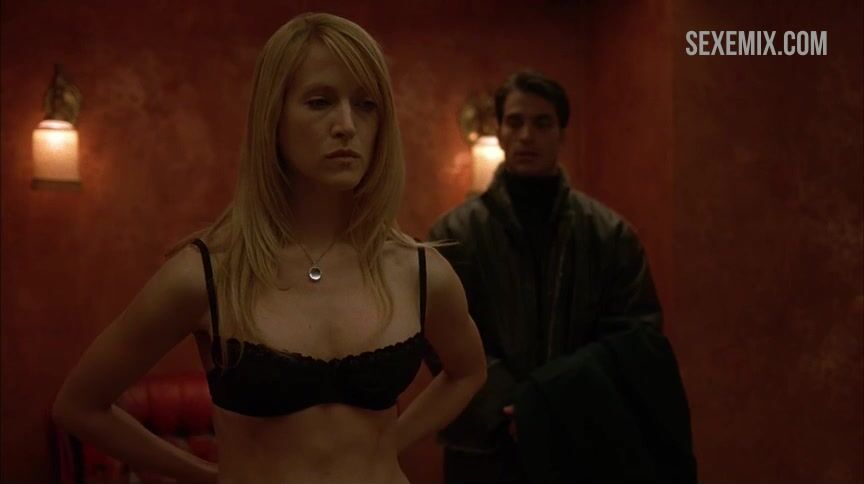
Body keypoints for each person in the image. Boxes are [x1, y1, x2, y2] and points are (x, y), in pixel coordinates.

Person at [52, 13, 486, 484]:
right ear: (272, 117)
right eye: (320, 102)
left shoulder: (418, 270)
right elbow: (80, 406)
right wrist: (204, 474)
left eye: (366, 105)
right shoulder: (209, 274)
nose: (346, 125)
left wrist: (390, 444)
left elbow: (468, 372)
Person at [428, 71, 693, 483]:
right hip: (485, 448)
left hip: (581, 442)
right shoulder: (454, 234)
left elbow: (635, 339)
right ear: (500, 131)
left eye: (542, 123)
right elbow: (439, 336)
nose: (527, 135)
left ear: (562, 135)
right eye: (515, 122)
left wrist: (548, 405)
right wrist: (514, 409)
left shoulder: (609, 234)